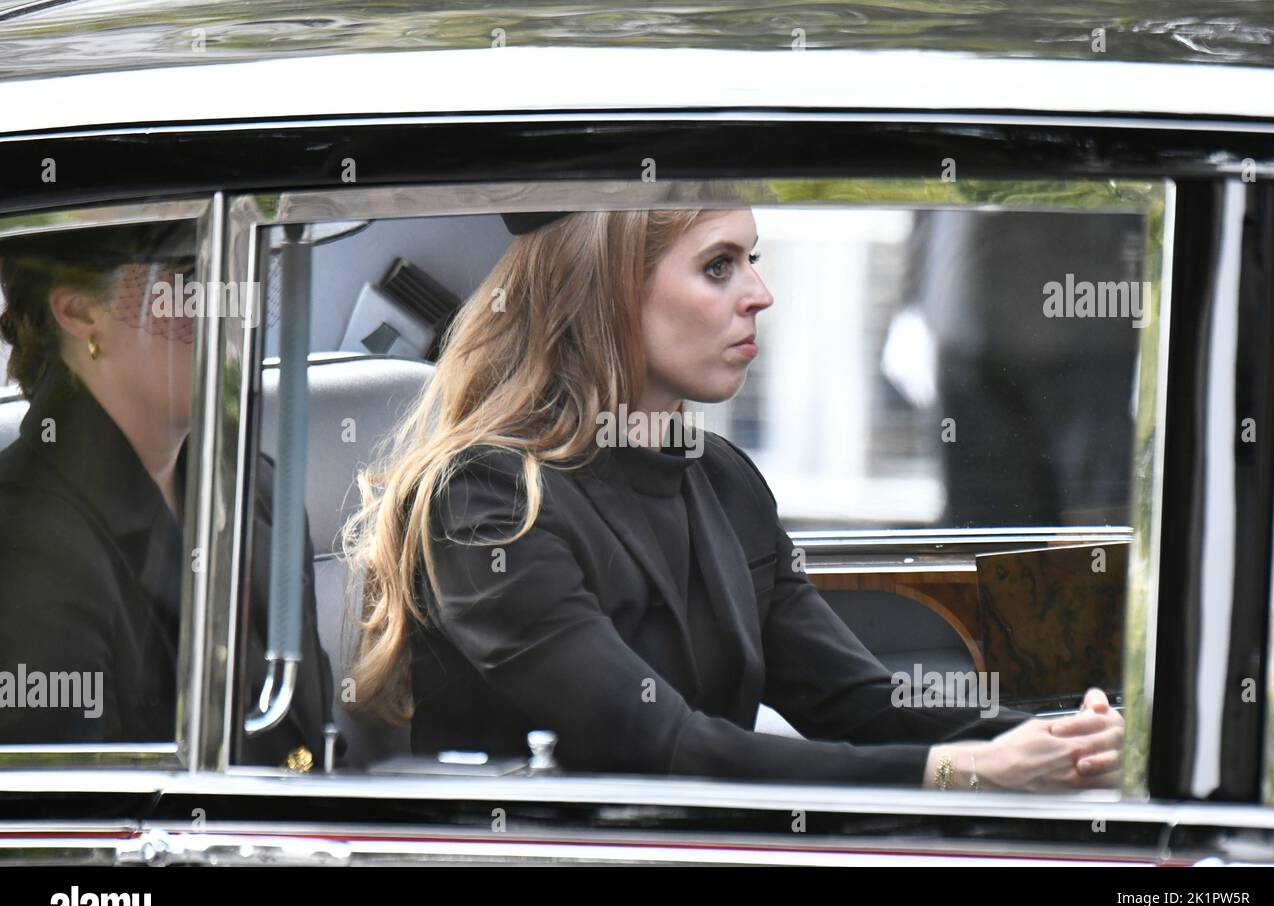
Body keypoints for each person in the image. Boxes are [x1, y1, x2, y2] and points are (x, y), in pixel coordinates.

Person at [342, 202, 1124, 790]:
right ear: (607, 291)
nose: (759, 294)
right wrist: (960, 771)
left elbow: (854, 701)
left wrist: (1069, 741)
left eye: (752, 259)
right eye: (719, 266)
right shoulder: (483, 501)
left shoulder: (718, 477)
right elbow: (659, 748)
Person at [0, 219, 338, 769]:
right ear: (82, 311)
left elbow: (309, 750)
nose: (233, 312)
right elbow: (69, 825)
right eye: (189, 282)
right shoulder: (25, 540)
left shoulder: (259, 489)